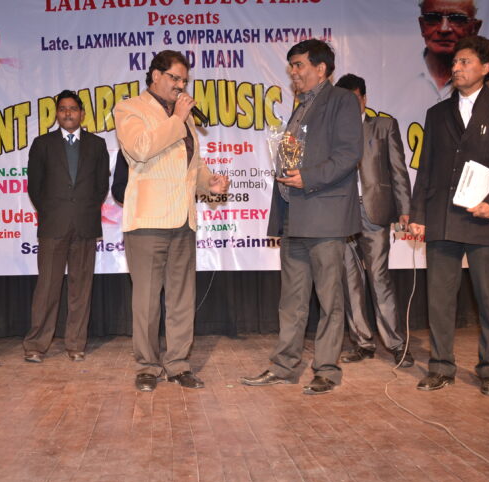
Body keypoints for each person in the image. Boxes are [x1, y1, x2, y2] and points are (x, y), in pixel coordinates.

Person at [409, 36, 489, 395]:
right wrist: (418, 213)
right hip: (442, 218)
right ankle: (440, 366)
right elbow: (426, 168)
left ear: (486, 68)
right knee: (439, 300)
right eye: (455, 62)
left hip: (484, 219)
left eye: (465, 61)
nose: (457, 68)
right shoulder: (437, 114)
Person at [241, 40, 363, 394]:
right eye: (291, 66)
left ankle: (326, 369)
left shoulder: (341, 100)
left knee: (329, 301)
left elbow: (349, 155)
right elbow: (289, 162)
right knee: (291, 302)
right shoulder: (300, 107)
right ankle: (284, 367)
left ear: (321, 69)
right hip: (294, 217)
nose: (293, 72)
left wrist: (308, 177)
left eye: (298, 65)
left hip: (325, 218)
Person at [114, 50, 229, 392]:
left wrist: (208, 183)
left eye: (184, 80)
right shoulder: (130, 109)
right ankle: (147, 366)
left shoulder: (185, 119)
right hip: (148, 220)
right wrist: (178, 118)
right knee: (147, 301)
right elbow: (141, 148)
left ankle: (178, 364)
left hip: (183, 220)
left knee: (181, 299)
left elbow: (190, 165)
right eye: (175, 78)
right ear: (155, 75)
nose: (181, 86)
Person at [22, 90, 110, 363]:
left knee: (80, 289)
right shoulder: (42, 144)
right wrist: (52, 212)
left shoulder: (97, 144)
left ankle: (76, 343)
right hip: (53, 226)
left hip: (85, 224)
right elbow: (35, 187)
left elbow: (101, 186)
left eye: (73, 108)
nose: (68, 113)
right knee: (47, 288)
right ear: (57, 114)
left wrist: (83, 209)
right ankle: (36, 344)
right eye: (62, 109)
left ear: (82, 113)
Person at [333, 74, 414, 368]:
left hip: (374, 212)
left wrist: (406, 208)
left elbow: (398, 170)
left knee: (379, 278)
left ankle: (396, 344)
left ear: (364, 99)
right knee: (349, 281)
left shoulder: (384, 126)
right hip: (341, 213)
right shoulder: (331, 132)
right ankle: (363, 342)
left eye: (354, 99)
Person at [417, 0, 482, 103]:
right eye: (433, 18)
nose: (444, 29)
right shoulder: (397, 75)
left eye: (457, 19)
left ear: (475, 28)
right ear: (422, 26)